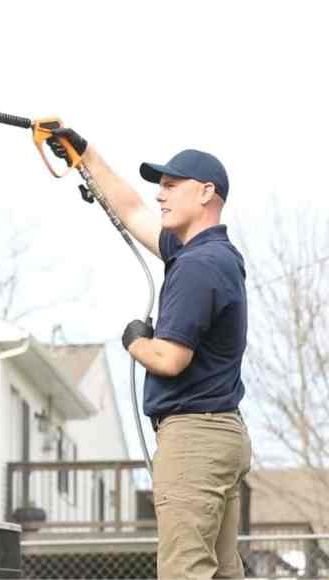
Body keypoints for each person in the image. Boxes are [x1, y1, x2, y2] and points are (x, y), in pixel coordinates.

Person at [48, 128, 252, 579]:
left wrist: (135, 340)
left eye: (171, 185)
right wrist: (86, 157)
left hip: (194, 437)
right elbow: (132, 210)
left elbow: (170, 360)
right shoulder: (208, 253)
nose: (159, 195)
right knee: (219, 572)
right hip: (220, 432)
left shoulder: (197, 266)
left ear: (206, 193)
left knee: (185, 570)